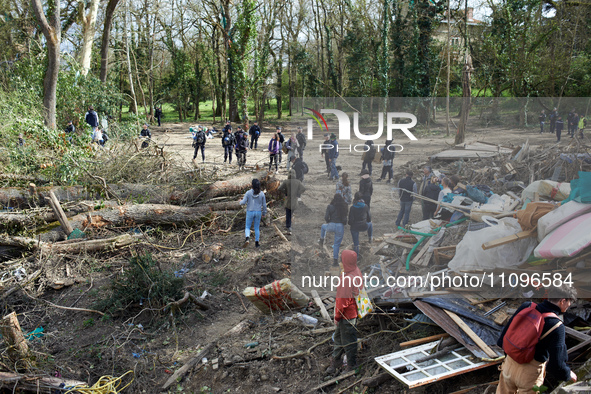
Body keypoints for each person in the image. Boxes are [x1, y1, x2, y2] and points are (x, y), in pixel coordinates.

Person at [496, 285, 577, 394]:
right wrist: (567, 374)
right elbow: (556, 365)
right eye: (569, 302)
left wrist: (509, 359)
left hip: (509, 365)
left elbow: (504, 337)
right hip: (529, 374)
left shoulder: (526, 306)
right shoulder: (556, 325)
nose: (569, 305)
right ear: (563, 301)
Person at [326, 250, 362, 375]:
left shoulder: (347, 279)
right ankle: (336, 360)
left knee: (349, 341)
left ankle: (352, 365)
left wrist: (336, 317)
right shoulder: (355, 270)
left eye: (341, 260)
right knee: (338, 337)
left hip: (346, 315)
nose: (340, 263)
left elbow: (342, 303)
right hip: (350, 313)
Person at [319, 194, 349, 266]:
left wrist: (329, 222)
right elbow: (345, 220)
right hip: (340, 226)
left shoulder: (330, 207)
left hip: (331, 225)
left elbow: (326, 217)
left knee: (323, 227)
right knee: (336, 245)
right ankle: (335, 261)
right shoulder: (344, 207)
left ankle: (321, 240)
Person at [239, 179, 267, 249]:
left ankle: (247, 238)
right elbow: (264, 205)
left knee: (247, 227)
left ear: (252, 185)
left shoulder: (248, 193)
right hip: (258, 212)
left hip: (250, 212)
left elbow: (243, 202)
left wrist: (240, 201)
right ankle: (257, 243)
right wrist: (264, 213)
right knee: (256, 228)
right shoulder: (262, 194)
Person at [277, 169, 306, 235]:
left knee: (288, 213)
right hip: (294, 200)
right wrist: (298, 194)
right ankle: (289, 224)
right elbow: (303, 188)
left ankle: (288, 226)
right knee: (291, 212)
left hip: (288, 200)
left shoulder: (286, 181)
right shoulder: (298, 182)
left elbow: (279, 188)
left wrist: (285, 193)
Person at [348, 192, 373, 257]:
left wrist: (350, 224)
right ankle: (370, 238)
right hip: (364, 226)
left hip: (355, 227)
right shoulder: (365, 206)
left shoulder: (352, 208)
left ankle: (356, 257)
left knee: (356, 244)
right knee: (370, 223)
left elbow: (350, 221)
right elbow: (369, 218)